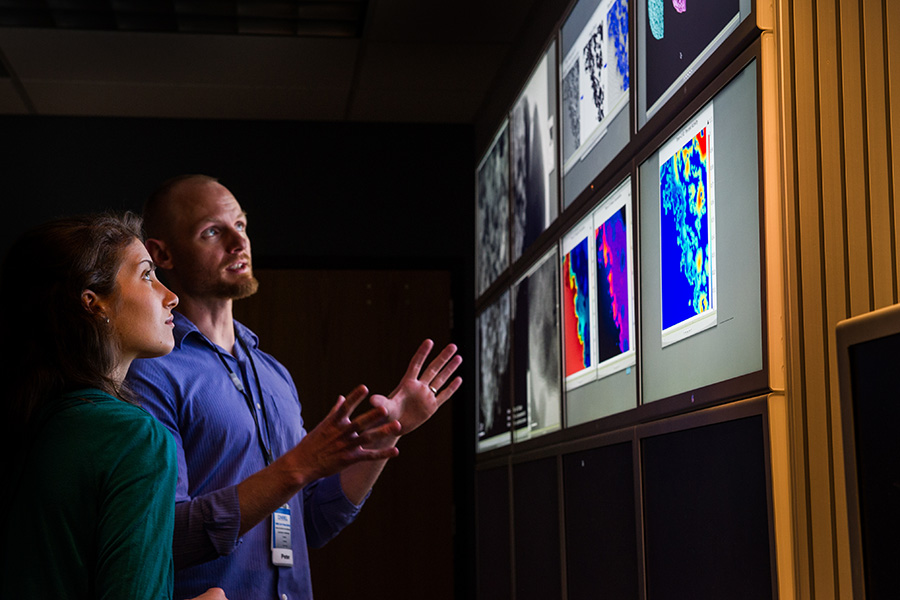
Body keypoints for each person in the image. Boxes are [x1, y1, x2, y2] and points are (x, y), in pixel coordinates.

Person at [126, 174, 463, 599]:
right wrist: (300, 464)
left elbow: (313, 522)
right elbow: (167, 535)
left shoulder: (274, 374)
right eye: (212, 231)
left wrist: (382, 436)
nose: (238, 242)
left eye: (241, 226)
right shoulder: (151, 372)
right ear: (162, 253)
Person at [0, 213, 227, 600]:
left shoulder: (29, 421)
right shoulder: (133, 436)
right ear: (93, 302)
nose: (169, 296)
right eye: (146, 275)